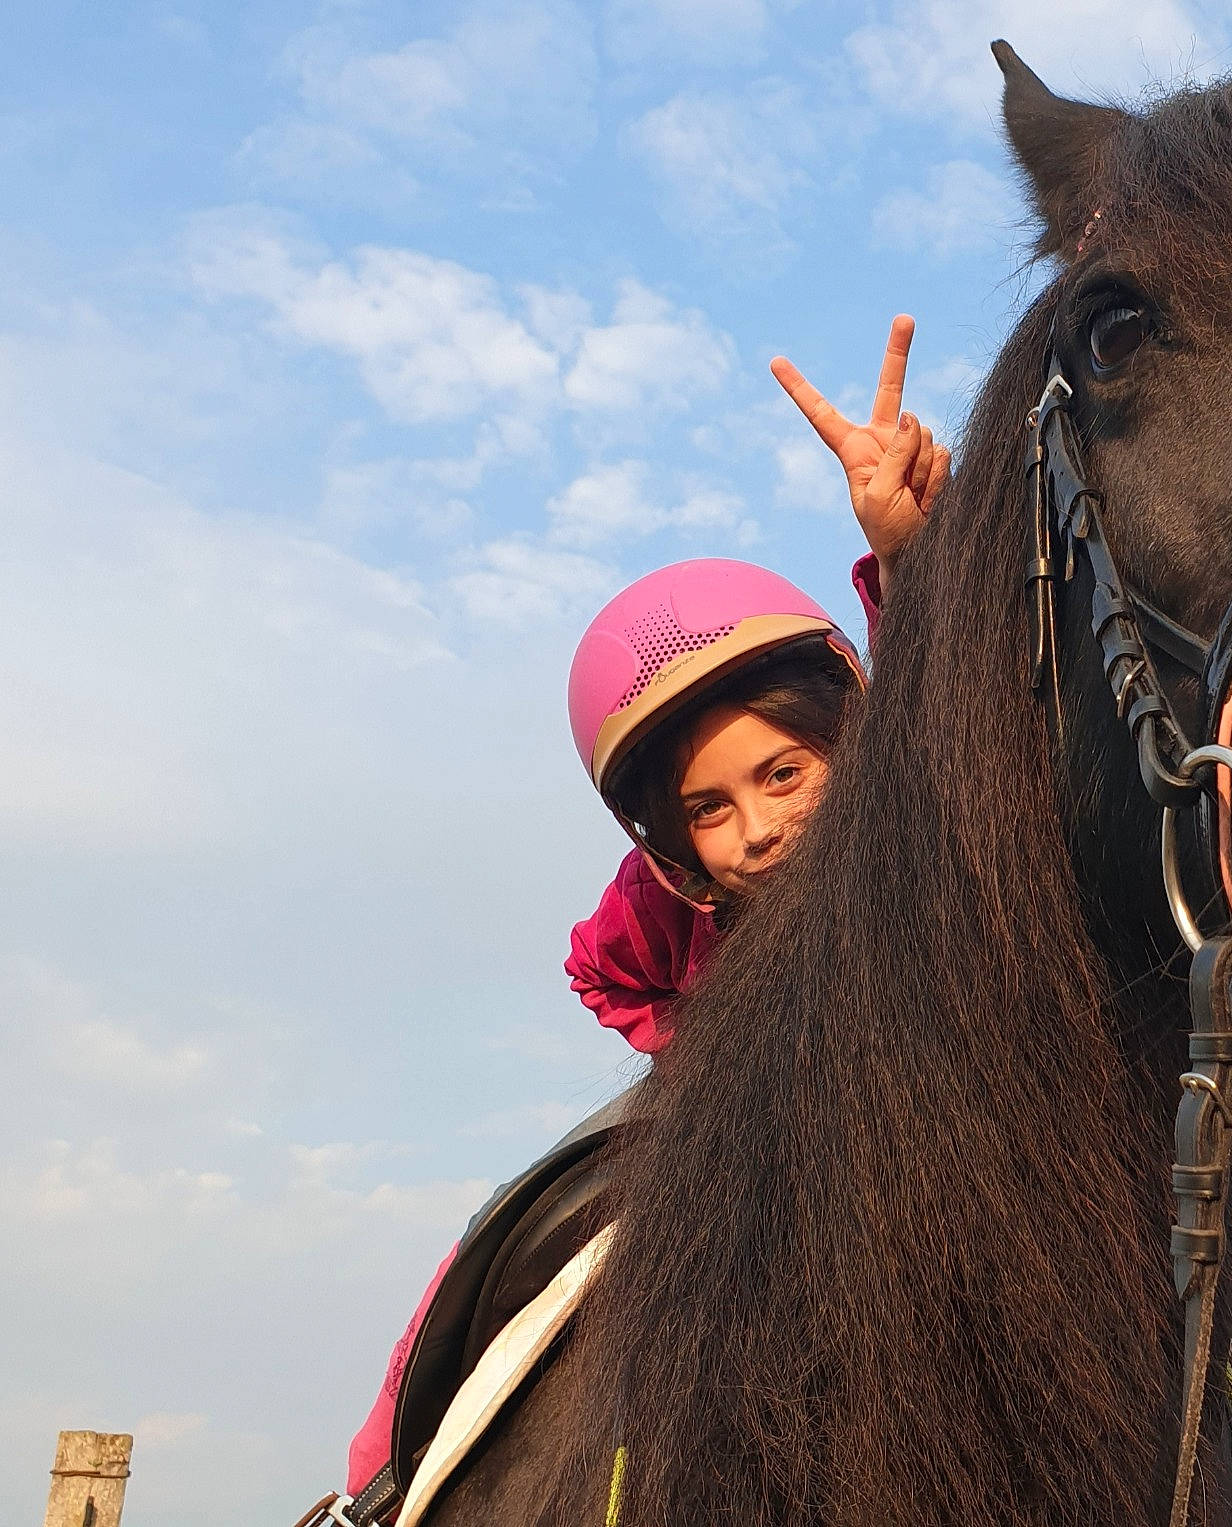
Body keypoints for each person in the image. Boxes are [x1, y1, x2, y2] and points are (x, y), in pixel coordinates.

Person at [332, 317, 948, 1520]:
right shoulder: (668, 902)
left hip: (951, 1082)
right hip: (730, 1104)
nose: (758, 827)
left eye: (784, 774)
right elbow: (601, 975)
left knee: (1189, 1266)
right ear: (673, 850)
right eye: (709, 811)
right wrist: (703, 1047)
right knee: (507, 1231)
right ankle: (385, 1487)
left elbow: (952, 703)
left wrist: (907, 564)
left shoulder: (920, 800)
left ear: (856, 739)